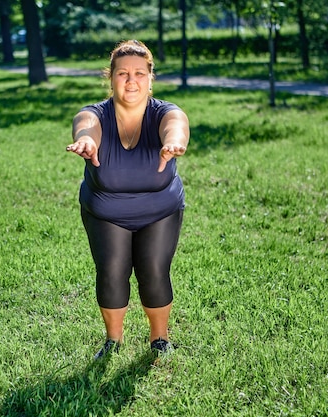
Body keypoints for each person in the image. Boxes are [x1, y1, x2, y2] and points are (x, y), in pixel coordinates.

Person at [66, 40, 190, 359]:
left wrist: (173, 143)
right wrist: (86, 142)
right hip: (106, 211)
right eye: (122, 73)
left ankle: (159, 338)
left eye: (139, 73)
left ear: (151, 78)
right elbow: (86, 127)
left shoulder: (165, 112)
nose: (131, 81)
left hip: (159, 209)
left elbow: (176, 125)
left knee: (153, 268)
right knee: (111, 269)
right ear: (111, 78)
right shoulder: (94, 114)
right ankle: (113, 341)